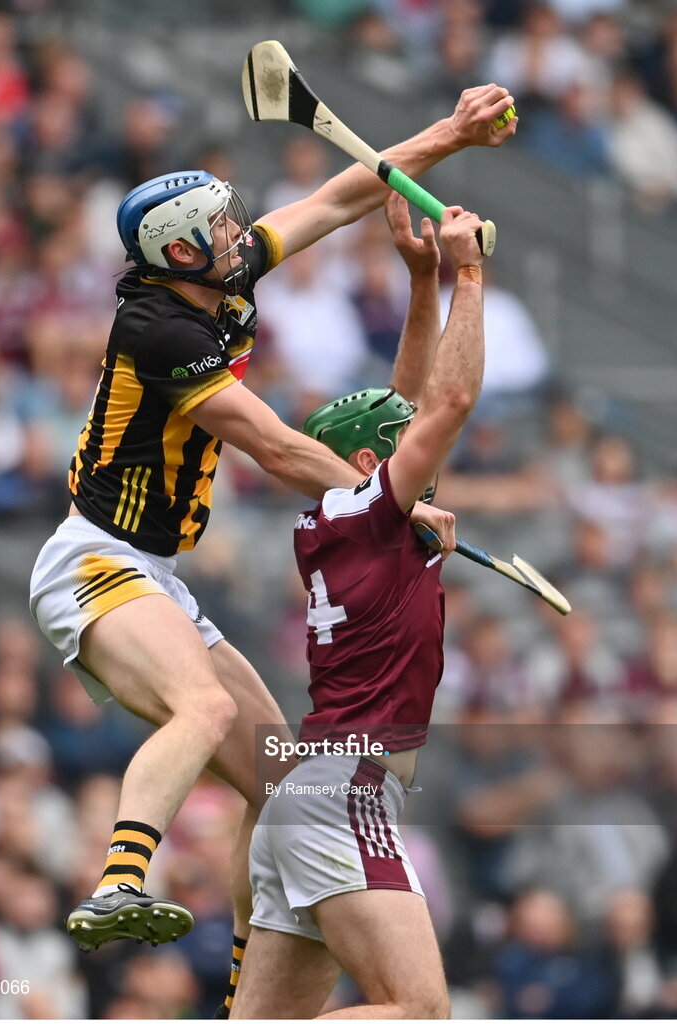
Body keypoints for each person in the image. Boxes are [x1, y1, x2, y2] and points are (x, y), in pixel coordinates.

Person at [28, 83, 515, 981]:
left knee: (276, 772)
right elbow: (275, 446)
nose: (237, 235)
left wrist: (450, 133)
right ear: (176, 250)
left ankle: (250, 977)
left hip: (154, 571)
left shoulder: (217, 277)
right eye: (216, 230)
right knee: (205, 708)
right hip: (92, 561)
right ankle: (118, 882)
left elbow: (341, 195)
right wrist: (391, 500)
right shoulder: (157, 324)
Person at [231, 194, 488, 1019]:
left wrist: (419, 283)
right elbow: (443, 406)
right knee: (419, 1012)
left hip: (304, 798)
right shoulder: (373, 514)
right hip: (346, 790)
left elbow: (406, 406)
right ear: (377, 465)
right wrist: (467, 272)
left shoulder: (342, 518)